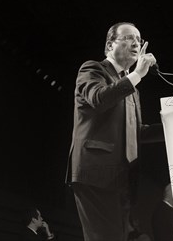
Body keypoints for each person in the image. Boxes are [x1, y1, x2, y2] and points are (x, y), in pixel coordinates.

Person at [65, 22, 163, 241]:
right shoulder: (92, 69)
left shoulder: (131, 87)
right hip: (96, 172)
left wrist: (172, 127)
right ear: (110, 45)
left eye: (138, 39)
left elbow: (137, 132)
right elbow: (99, 99)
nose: (136, 43)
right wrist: (137, 75)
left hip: (124, 177)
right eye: (129, 38)